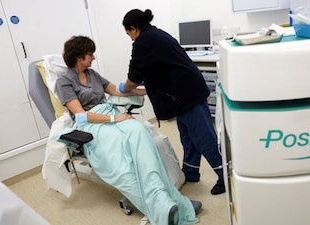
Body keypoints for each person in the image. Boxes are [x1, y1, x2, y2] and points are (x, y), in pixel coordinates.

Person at [55, 35, 200, 225]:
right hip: (91, 125)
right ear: (78, 57)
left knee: (139, 132)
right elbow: (81, 115)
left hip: (111, 115)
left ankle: (173, 200)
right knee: (124, 165)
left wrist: (149, 89)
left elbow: (116, 90)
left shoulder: (92, 74)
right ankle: (163, 208)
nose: (94, 58)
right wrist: (116, 118)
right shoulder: (64, 81)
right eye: (90, 55)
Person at [118, 9, 225, 195]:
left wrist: (124, 88)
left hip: (187, 94)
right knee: (188, 138)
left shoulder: (143, 41)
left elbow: (134, 76)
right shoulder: (156, 34)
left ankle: (225, 177)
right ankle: (191, 173)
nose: (131, 39)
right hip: (184, 93)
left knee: (204, 138)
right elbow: (154, 67)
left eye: (129, 34)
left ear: (134, 29)